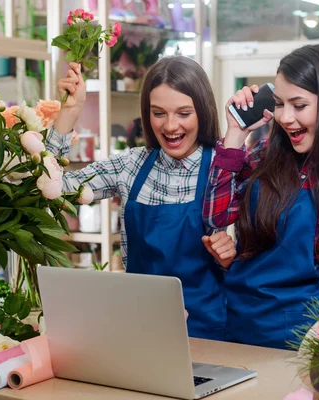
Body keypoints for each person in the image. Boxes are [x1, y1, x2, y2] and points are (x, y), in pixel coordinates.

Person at [202, 44, 319, 349]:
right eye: (279, 103)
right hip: (236, 322)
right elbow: (216, 216)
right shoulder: (262, 155)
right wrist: (235, 136)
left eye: (299, 105)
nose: (285, 117)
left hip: (305, 335)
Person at [46, 56, 236, 341]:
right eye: (159, 113)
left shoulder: (223, 169)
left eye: (184, 113)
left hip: (207, 333)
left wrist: (231, 258)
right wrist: (70, 114)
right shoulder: (130, 166)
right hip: (141, 330)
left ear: (203, 112)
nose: (170, 126)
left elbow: (262, 261)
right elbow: (54, 189)